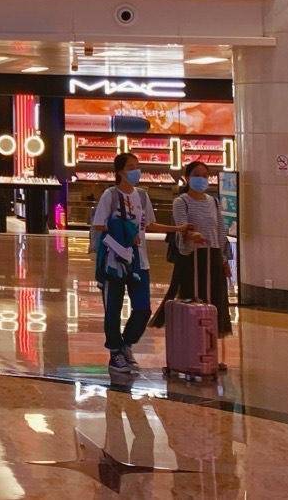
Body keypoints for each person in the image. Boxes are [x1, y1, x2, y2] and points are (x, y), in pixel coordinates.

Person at [92, 152, 167, 375]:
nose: (136, 171)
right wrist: (123, 235)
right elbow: (99, 225)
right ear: (120, 172)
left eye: (137, 166)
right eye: (131, 167)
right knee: (113, 308)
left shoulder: (142, 196)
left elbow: (150, 224)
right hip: (114, 262)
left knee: (143, 309)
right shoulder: (110, 195)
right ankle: (115, 352)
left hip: (139, 262)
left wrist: (178, 230)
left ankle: (126, 343)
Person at [151, 162, 232, 352]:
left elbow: (220, 230)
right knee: (192, 296)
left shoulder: (213, 202)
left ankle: (209, 346)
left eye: (205, 175)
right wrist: (191, 235)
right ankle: (191, 342)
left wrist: (223, 259)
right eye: (197, 175)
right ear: (187, 178)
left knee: (215, 299)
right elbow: (182, 227)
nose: (201, 179)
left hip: (212, 255)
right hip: (191, 257)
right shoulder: (182, 201)